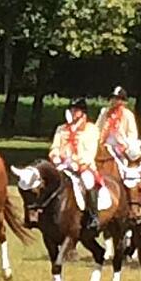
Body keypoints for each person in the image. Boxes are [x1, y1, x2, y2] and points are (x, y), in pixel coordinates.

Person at [49, 98, 102, 231]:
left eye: (76, 110)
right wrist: (55, 155)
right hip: (63, 164)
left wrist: (79, 163)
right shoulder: (61, 129)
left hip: (83, 166)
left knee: (88, 182)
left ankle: (93, 216)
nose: (73, 112)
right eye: (72, 109)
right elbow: (55, 146)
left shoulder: (91, 129)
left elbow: (91, 152)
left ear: (82, 112)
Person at [96, 86, 138, 157]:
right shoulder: (104, 113)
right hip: (104, 146)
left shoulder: (128, 115)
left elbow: (132, 135)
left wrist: (125, 146)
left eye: (117, 98)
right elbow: (97, 129)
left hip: (120, 148)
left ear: (123, 101)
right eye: (113, 98)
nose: (114, 100)